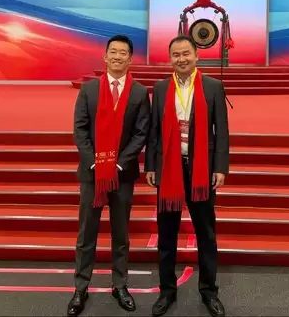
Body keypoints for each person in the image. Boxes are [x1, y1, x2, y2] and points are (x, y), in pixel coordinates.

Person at [145, 35, 230, 317]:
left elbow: (221, 131)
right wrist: (151, 166)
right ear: (170, 58)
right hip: (169, 169)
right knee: (166, 234)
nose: (181, 59)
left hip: (201, 169)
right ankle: (167, 291)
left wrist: (220, 167)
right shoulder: (160, 88)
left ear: (197, 56)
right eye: (176, 55)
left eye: (186, 54)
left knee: (206, 233)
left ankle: (209, 292)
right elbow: (154, 131)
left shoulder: (213, 86)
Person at [68, 35, 150, 316]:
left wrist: (119, 164)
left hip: (122, 176)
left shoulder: (139, 93)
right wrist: (94, 163)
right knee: (86, 233)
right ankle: (81, 287)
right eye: (112, 52)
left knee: (121, 233)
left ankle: (120, 285)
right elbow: (80, 129)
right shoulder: (89, 90)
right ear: (105, 56)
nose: (117, 56)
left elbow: (141, 133)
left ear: (130, 59)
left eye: (122, 52)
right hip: (92, 175)